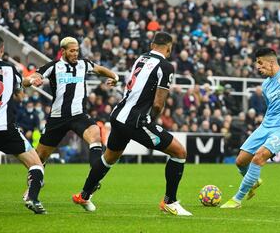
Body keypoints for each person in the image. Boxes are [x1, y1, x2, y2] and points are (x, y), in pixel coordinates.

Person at [72, 32, 192, 216]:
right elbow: (159, 103)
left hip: (118, 116)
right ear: (169, 48)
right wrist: (151, 120)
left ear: (152, 45)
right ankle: (170, 201)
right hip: (136, 120)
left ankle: (84, 195)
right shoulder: (165, 66)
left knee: (109, 158)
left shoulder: (141, 58)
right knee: (179, 152)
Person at [221, 42, 280, 209]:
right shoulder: (265, 86)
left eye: (260, 63)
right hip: (266, 126)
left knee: (259, 157)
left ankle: (237, 199)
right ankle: (254, 180)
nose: (257, 67)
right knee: (240, 161)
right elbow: (272, 107)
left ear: (271, 62)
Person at [24, 36, 119, 168]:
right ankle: (34, 184)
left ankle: (94, 177)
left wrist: (115, 77)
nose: (75, 54)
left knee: (95, 134)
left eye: (77, 51)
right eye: (72, 51)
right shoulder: (53, 66)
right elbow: (28, 79)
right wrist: (32, 80)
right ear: (63, 51)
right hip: (58, 117)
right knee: (40, 156)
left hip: (79, 115)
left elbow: (99, 69)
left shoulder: (83, 64)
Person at [0, 34, 46, 214]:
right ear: (2, 49)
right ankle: (32, 198)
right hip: (6, 129)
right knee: (37, 165)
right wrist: (33, 80)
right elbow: (21, 85)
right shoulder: (10, 69)